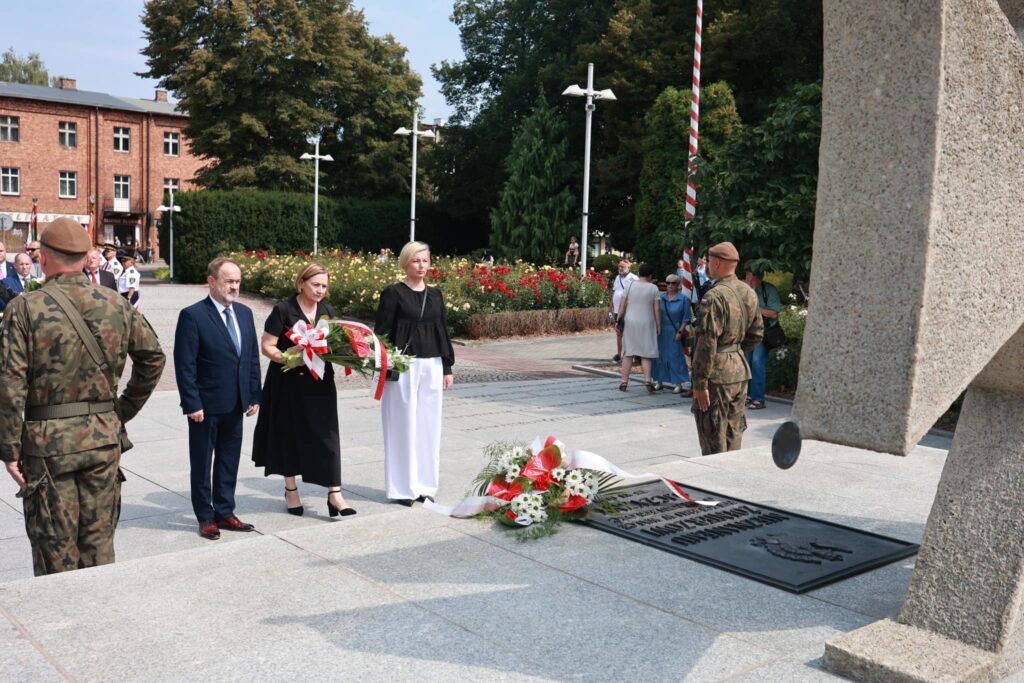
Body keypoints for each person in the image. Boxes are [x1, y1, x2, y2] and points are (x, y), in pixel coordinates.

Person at [0, 218, 165, 576]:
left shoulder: (25, 308)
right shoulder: (115, 303)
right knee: (98, 545)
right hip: (103, 438)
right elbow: (153, 358)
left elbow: (10, 382)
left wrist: (9, 448)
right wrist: (121, 411)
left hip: (48, 446)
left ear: (44, 257)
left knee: (54, 550)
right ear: (84, 256)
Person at [252, 263, 356, 518]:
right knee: (288, 434)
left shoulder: (327, 312)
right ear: (301, 283)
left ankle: (335, 493)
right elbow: (267, 345)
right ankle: (291, 490)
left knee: (328, 435)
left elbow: (336, 344)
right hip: (288, 382)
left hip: (320, 383)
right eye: (316, 285)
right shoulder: (283, 310)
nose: (321, 290)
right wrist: (288, 357)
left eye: (324, 286)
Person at [173, 257, 262, 539]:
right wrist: (192, 402)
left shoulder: (245, 314)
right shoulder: (193, 315)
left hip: (236, 403)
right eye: (229, 281)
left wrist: (253, 394)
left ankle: (225, 511)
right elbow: (184, 363)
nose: (234, 287)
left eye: (237, 281)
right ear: (212, 281)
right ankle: (206, 516)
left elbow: (250, 358)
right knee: (202, 462)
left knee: (229, 460)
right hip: (206, 406)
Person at [374, 241, 455, 506]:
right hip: (403, 366)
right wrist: (384, 364)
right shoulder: (393, 293)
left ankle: (425, 485)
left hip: (431, 364)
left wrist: (447, 366)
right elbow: (382, 333)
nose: (421, 265)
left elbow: (441, 330)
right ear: (405, 263)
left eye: (425, 260)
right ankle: (402, 488)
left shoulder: (435, 295)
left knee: (429, 427)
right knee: (401, 426)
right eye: (416, 261)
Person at [690, 242, 763, 455]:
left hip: (716, 376)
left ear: (717, 263)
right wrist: (734, 353)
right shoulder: (748, 292)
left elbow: (706, 342)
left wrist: (700, 383)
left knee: (713, 437)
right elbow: (757, 333)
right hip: (739, 371)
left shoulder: (714, 297)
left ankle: (714, 483)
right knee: (734, 433)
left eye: (710, 261)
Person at [617, 263, 660, 393]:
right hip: (647, 321)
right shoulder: (653, 288)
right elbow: (657, 309)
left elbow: (622, 305)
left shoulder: (629, 285)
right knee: (646, 353)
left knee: (628, 353)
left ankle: (624, 382)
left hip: (630, 321)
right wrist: (659, 325)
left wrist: (618, 320)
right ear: (650, 275)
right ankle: (647, 380)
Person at [743, 269, 781, 410]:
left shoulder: (769, 290)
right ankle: (747, 395)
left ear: (759, 278)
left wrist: (755, 308)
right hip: (748, 332)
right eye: (747, 277)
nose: (748, 280)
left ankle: (758, 399)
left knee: (757, 362)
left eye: (751, 278)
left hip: (764, 333)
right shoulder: (745, 289)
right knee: (746, 363)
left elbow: (773, 313)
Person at [653, 273, 692, 394]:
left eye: (673, 283)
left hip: (675, 330)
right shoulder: (661, 298)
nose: (670, 285)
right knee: (659, 357)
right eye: (667, 282)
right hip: (661, 330)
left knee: (675, 357)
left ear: (678, 284)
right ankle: (659, 381)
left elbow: (686, 318)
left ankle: (678, 383)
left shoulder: (683, 299)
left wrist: (680, 331)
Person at [608, 258, 638, 363]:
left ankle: (629, 354)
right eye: (619, 266)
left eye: (622, 267)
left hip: (627, 310)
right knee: (618, 333)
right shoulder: (617, 278)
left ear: (628, 267)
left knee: (628, 333)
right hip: (617, 309)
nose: (620, 268)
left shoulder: (634, 278)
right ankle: (619, 354)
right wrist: (611, 306)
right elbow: (615, 292)